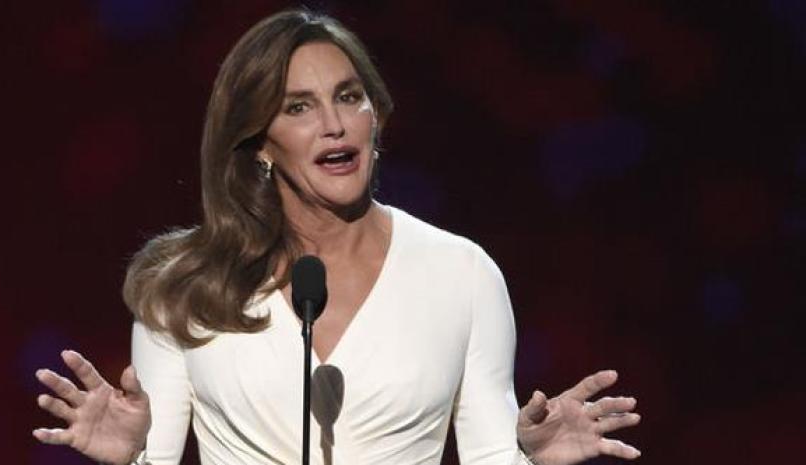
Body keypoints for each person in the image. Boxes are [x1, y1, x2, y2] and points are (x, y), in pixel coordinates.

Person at [33, 9, 641, 465]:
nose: (333, 125)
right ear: (260, 142)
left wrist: (532, 459)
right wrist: (127, 459)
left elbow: (490, 458)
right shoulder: (187, 287)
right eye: (298, 107)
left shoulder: (461, 274)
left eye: (349, 98)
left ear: (375, 118)